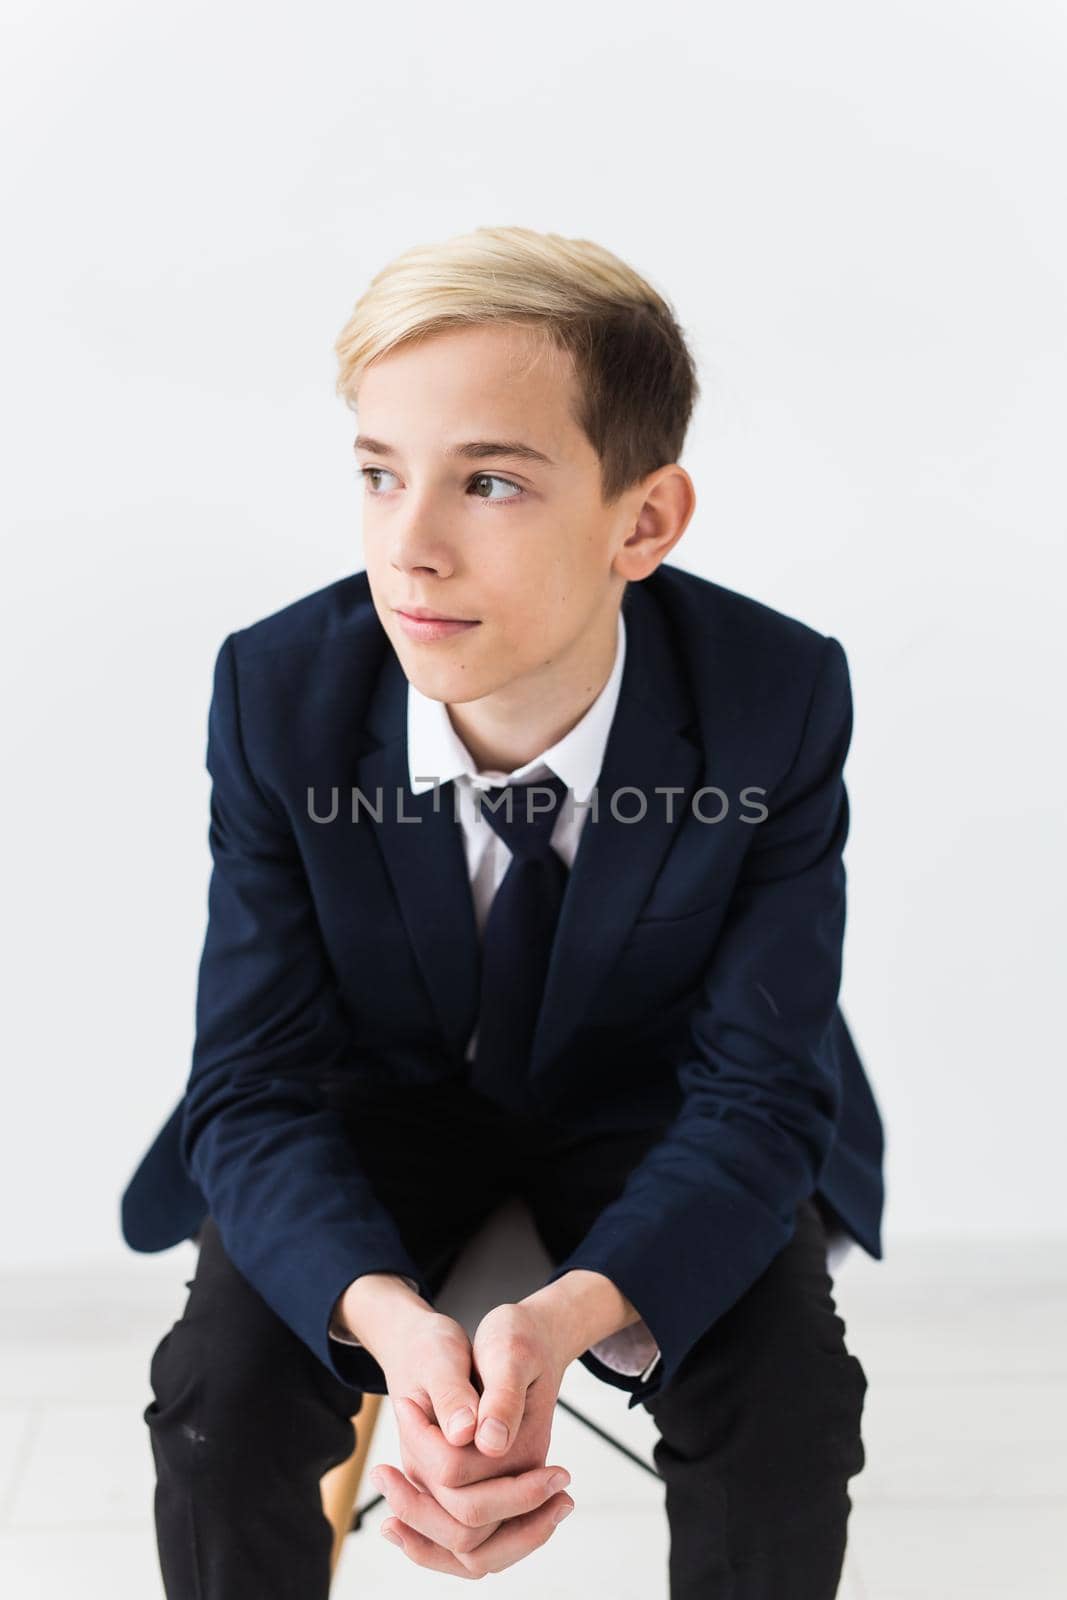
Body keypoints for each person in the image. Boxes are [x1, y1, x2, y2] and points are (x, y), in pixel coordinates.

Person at [122, 224, 885, 1599]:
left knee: (789, 1404)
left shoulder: (777, 699)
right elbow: (250, 1084)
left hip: (666, 1102)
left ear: (641, 521)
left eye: (489, 482)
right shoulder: (279, 693)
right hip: (374, 1103)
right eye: (376, 475)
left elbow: (763, 1091)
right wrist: (401, 1331)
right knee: (219, 1396)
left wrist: (568, 1317)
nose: (407, 548)